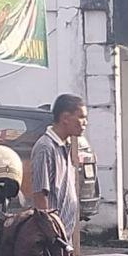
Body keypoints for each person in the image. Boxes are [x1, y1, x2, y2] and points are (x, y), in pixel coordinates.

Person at [31, 93, 87, 240]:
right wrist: (51, 236)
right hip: (53, 239)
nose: (85, 122)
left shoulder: (65, 146)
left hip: (64, 235)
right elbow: (40, 196)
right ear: (65, 118)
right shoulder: (45, 147)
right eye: (81, 117)